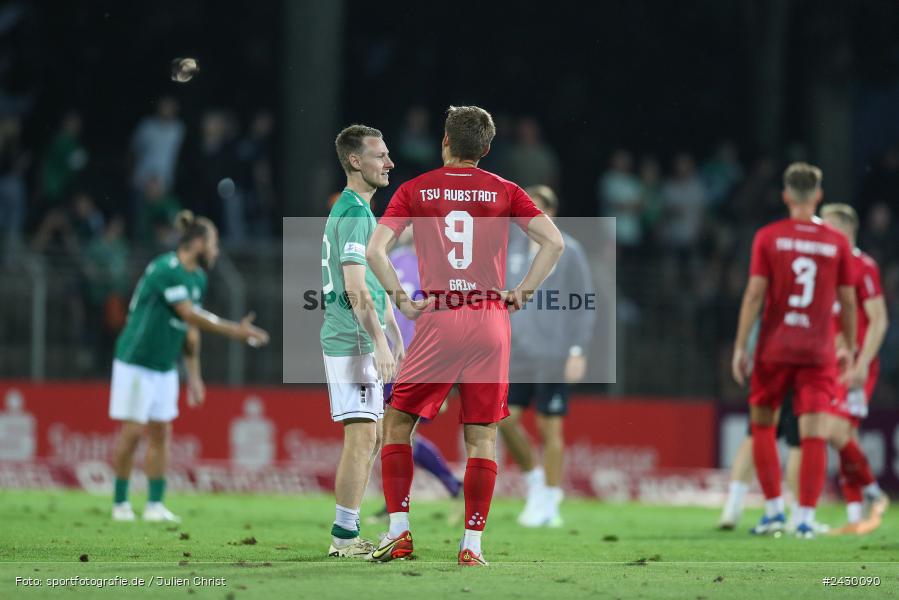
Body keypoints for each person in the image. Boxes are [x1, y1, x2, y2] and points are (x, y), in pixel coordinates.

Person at [365, 105, 564, 566]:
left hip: (439, 314)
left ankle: (399, 532)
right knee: (482, 437)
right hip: (489, 318)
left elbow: (376, 251)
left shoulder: (415, 190)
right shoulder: (505, 190)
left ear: (446, 142)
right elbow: (552, 241)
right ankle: (471, 546)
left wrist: (400, 298)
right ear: (488, 149)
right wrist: (523, 292)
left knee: (396, 424)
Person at [110, 211, 269, 523]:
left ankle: (155, 504)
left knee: (161, 433)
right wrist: (235, 330)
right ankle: (120, 502)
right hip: (136, 361)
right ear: (197, 242)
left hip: (165, 365)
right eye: (214, 244)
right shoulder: (165, 269)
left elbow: (190, 331)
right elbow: (190, 315)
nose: (216, 251)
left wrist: (194, 376)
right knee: (132, 433)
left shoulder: (197, 277)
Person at [731, 162, 859, 539]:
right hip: (817, 350)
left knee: (763, 426)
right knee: (814, 433)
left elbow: (754, 294)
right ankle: (805, 518)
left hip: (774, 346)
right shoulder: (836, 242)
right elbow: (848, 303)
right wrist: (848, 346)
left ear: (786, 195)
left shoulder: (768, 237)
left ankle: (773, 512)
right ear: (818, 195)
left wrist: (741, 345)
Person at [320, 125, 405, 558]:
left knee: (368, 437)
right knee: (361, 436)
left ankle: (347, 532)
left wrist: (394, 332)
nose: (389, 162)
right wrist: (380, 342)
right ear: (355, 161)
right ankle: (343, 539)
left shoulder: (359, 211)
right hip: (350, 341)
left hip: (359, 339)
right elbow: (354, 288)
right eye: (380, 155)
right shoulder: (354, 211)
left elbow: (371, 282)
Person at [499, 185, 595, 528]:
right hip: (516, 353)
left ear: (551, 214)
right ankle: (536, 483)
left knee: (549, 427)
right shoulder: (511, 248)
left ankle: (551, 500)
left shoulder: (569, 250)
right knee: (504, 420)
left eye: (537, 210)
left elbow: (584, 303)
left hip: (554, 353)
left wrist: (577, 350)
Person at [820, 203, 889, 534]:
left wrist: (862, 364)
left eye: (827, 226)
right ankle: (854, 514)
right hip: (830, 366)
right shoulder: (826, 268)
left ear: (845, 231)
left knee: (838, 433)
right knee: (841, 437)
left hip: (857, 367)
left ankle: (873, 493)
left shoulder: (864, 267)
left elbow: (879, 319)